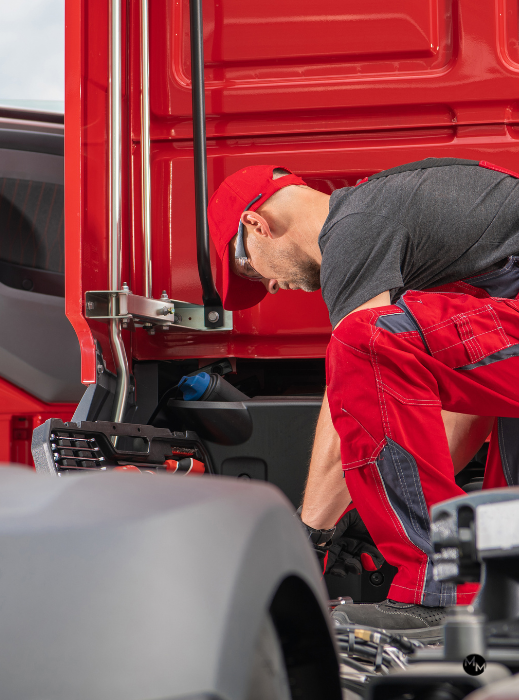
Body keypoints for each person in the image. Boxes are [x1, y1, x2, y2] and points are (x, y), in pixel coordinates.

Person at [207, 159, 519, 636]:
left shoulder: (355, 228)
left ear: (257, 224)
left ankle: (435, 592)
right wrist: (374, 502)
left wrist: (310, 533)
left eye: (246, 266)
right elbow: (466, 406)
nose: (267, 286)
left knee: (363, 340)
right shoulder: (400, 226)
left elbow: (363, 371)